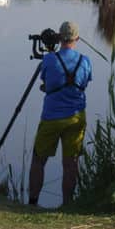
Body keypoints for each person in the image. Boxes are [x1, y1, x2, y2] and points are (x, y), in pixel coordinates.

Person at [28, 20, 92, 207]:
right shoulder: (85, 61)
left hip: (51, 117)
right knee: (71, 163)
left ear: (59, 37)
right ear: (77, 38)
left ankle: (32, 202)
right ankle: (67, 204)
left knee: (38, 160)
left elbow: (47, 83)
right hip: (76, 117)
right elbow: (83, 84)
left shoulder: (49, 60)